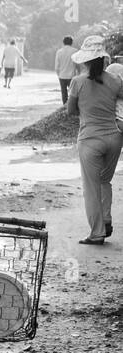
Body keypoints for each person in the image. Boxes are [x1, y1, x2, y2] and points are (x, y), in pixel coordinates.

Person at [65, 35, 123, 244]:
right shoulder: (115, 80)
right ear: (104, 59)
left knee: (91, 188)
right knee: (104, 181)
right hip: (115, 138)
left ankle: (97, 233)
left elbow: (70, 111)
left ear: (85, 60)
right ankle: (106, 220)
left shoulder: (77, 82)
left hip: (90, 140)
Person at [54, 36, 78, 104]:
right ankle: (72, 106)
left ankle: (65, 107)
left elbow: (56, 66)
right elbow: (77, 64)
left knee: (64, 93)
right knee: (73, 93)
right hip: (72, 76)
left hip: (62, 76)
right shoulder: (75, 51)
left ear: (63, 42)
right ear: (72, 43)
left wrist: (59, 74)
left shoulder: (59, 52)